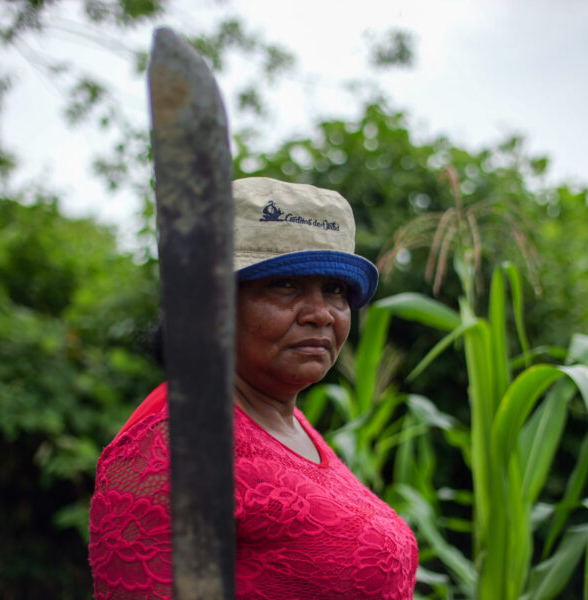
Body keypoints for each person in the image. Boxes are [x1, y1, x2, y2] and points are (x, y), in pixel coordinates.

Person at [88, 177, 418, 599]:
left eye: (335, 290)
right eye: (285, 285)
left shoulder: (289, 421)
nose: (320, 314)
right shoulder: (176, 446)